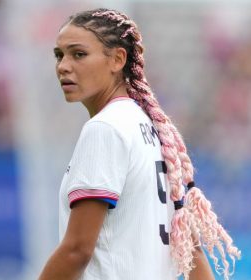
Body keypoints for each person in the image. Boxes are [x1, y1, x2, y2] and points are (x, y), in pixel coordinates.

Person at [39, 8, 241, 280]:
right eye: (59, 55)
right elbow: (193, 252)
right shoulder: (155, 128)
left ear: (117, 59)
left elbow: (77, 249)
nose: (63, 65)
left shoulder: (105, 129)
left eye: (79, 54)